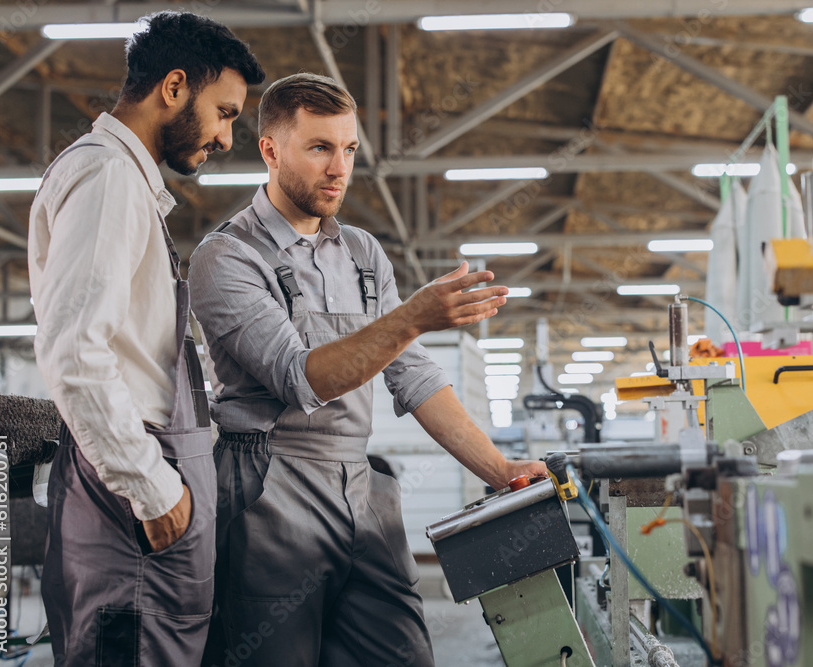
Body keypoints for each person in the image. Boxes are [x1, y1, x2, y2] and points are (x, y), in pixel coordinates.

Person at [188, 73, 546, 666]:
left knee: (403, 655)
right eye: (321, 147)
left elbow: (414, 375)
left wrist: (501, 468)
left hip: (360, 486)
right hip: (266, 492)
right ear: (271, 150)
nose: (340, 168)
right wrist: (411, 318)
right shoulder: (226, 255)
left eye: (349, 149)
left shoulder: (361, 253)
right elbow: (300, 378)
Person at [28, 12, 264, 666]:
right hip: (132, 504)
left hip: (145, 495)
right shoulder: (107, 178)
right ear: (174, 87)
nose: (225, 136)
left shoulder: (126, 182)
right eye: (223, 112)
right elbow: (74, 352)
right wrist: (154, 490)